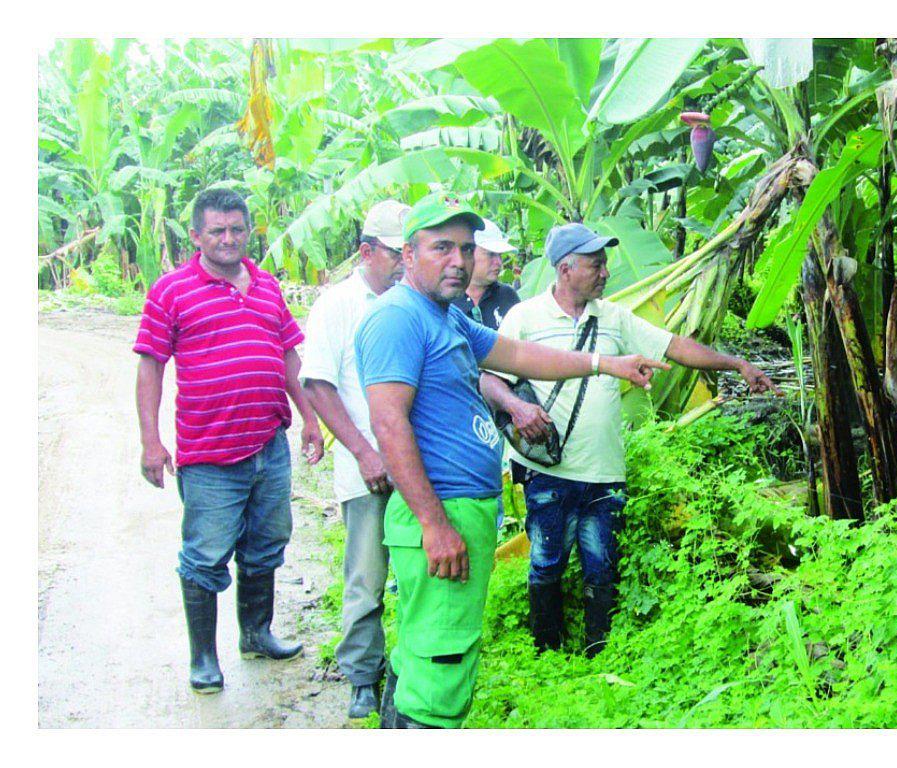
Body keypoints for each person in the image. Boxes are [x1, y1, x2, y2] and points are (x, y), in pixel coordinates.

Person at [354, 195, 665, 729]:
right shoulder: (397, 318)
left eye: (467, 248)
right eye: (442, 247)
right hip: (441, 513)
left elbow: (519, 356)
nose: (459, 259)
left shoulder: (445, 317)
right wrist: (434, 524)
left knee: (426, 648)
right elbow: (389, 424)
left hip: (460, 511)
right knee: (442, 661)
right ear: (408, 254)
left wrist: (604, 363)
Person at [483, 223, 776, 658]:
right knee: (546, 566)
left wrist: (736, 363)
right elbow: (490, 380)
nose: (605, 273)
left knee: (602, 570)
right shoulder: (524, 318)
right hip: (548, 471)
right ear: (565, 268)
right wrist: (518, 407)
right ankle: (545, 653)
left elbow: (673, 346)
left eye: (605, 263)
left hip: (605, 474)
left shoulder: (614, 317)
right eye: (595, 264)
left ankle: (596, 653)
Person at [134, 187, 325, 695]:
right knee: (205, 554)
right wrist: (151, 442)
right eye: (216, 230)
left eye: (236, 229)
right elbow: (151, 366)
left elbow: (288, 358)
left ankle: (256, 635)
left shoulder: (266, 286)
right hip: (209, 454)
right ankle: (202, 658)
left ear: (249, 230)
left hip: (269, 444)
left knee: (265, 547)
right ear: (196, 235)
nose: (227, 239)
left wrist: (310, 418)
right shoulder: (171, 291)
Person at [299, 199, 408, 719]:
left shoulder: (414, 303)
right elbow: (318, 383)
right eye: (395, 253)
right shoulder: (339, 304)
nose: (404, 262)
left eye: (409, 251)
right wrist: (364, 452)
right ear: (367, 251)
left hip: (416, 467)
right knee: (366, 575)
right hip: (367, 469)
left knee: (415, 572)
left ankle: (408, 669)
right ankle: (363, 673)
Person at [452, 217, 521, 330]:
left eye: (499, 255)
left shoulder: (507, 297)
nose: (498, 262)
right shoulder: (447, 299)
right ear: (468, 253)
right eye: (490, 254)